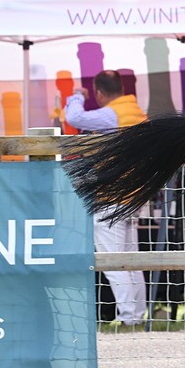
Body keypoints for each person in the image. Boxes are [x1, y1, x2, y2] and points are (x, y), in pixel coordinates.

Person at [64, 70, 150, 324]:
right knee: (131, 260)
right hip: (133, 195)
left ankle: (129, 318)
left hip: (111, 196)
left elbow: (74, 117)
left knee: (113, 261)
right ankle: (137, 316)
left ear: (99, 93)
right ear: (121, 88)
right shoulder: (136, 113)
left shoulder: (112, 115)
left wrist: (77, 96)